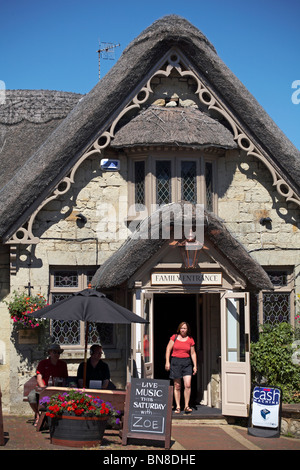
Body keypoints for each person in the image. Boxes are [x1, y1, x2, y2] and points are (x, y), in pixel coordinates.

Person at [28, 344, 68, 425]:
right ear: (50, 353)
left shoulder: (63, 364)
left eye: (58, 353)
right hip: (43, 388)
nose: (57, 354)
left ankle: (60, 419)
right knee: (31, 397)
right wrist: (44, 389)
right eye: (54, 352)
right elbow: (39, 378)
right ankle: (37, 414)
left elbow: (65, 379)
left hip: (58, 388)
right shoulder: (43, 363)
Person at [165, 322, 197, 414]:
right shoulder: (174, 337)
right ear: (179, 329)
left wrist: (195, 365)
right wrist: (167, 362)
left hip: (187, 362)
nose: (183, 330)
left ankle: (186, 406)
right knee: (177, 386)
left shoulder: (190, 339)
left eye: (185, 328)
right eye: (182, 328)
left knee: (187, 384)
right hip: (176, 362)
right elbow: (168, 349)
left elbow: (193, 353)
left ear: (188, 330)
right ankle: (178, 406)